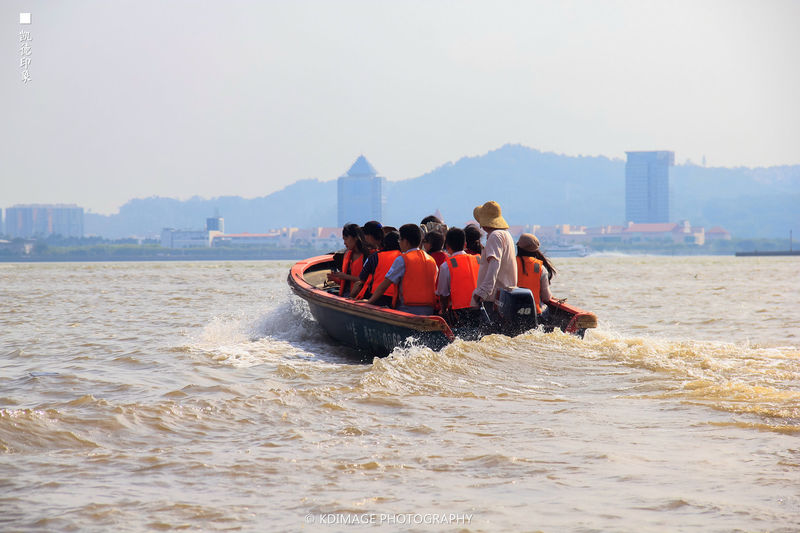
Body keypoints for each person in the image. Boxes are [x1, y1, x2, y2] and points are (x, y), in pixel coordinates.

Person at [367, 223, 437, 315]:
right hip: (429, 311)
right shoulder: (432, 260)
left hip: (407, 310)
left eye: (400, 239)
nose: (399, 242)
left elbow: (384, 286)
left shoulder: (402, 259)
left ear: (406, 241)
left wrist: (369, 302)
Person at [470, 201, 517, 316]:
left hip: (494, 298)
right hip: (505, 295)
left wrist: (483, 291)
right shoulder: (506, 235)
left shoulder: (495, 236)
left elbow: (494, 264)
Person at [436, 227, 479, 323]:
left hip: (460, 312)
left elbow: (443, 294)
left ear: (447, 247)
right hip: (480, 308)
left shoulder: (446, 265)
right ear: (465, 245)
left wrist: (443, 311)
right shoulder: (478, 260)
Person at [353, 231, 401, 306]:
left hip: (377, 298)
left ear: (385, 243)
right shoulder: (404, 257)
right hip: (398, 299)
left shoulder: (374, 257)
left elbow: (362, 278)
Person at [516, 233, 555, 316]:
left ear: (518, 247)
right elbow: (546, 297)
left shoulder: (510, 264)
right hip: (534, 313)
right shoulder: (540, 268)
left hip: (512, 311)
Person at [326, 223, 367, 297]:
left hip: (360, 297)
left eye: (346, 238)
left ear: (356, 238)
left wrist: (345, 276)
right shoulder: (347, 255)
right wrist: (335, 279)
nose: (344, 242)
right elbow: (346, 283)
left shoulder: (367, 256)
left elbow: (366, 281)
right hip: (346, 295)